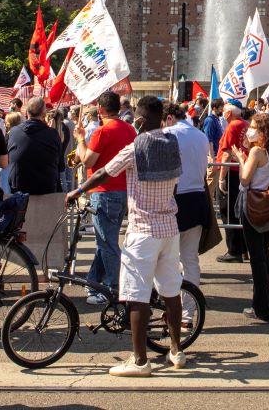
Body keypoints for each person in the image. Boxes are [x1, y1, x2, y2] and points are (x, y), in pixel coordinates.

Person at [66, 95, 186, 377]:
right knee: (171, 291)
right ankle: (177, 350)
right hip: (169, 226)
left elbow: (103, 174)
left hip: (143, 230)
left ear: (141, 120)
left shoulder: (135, 148)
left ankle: (141, 360)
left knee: (137, 296)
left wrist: (78, 191)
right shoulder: (172, 144)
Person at [77, 90, 136, 301]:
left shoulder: (103, 131)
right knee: (106, 240)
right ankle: (93, 282)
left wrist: (80, 140)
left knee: (107, 242)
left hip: (104, 191)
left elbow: (88, 161)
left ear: (101, 109)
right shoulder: (130, 129)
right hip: (123, 191)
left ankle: (113, 288)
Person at [7, 95, 67, 271]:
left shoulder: (15, 132)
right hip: (46, 187)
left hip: (18, 186)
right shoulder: (52, 134)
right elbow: (60, 166)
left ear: (26, 112)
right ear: (43, 113)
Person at [236, 112, 269, 320]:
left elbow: (245, 180)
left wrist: (240, 159)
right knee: (263, 255)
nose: (250, 130)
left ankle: (261, 307)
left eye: (254, 126)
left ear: (262, 131)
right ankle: (261, 304)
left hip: (254, 206)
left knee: (257, 259)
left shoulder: (257, 152)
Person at [162, 100, 211, 290]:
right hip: (197, 198)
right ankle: (188, 311)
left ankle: (172, 303)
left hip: (174, 198)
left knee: (167, 259)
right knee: (190, 259)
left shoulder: (168, 134)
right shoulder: (200, 136)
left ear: (169, 118)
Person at [213, 103, 249, 264]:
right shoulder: (245, 125)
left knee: (227, 211)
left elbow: (227, 154)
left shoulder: (232, 127)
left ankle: (234, 250)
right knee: (237, 211)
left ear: (228, 113)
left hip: (231, 173)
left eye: (225, 112)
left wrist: (221, 178)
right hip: (240, 171)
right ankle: (242, 248)